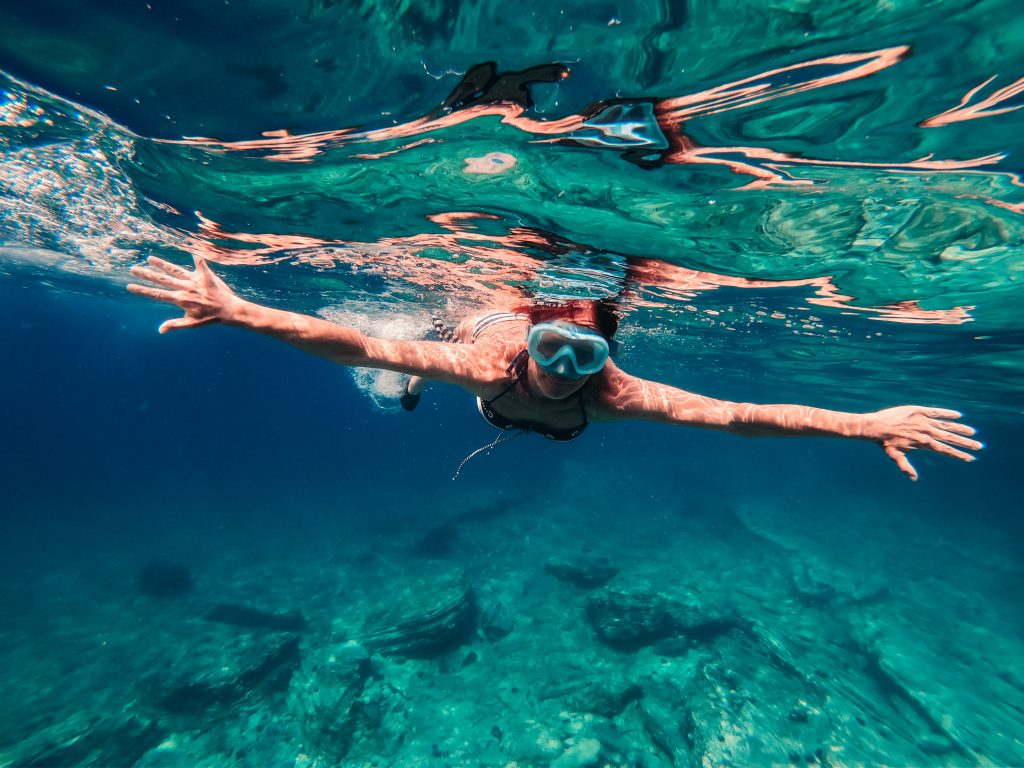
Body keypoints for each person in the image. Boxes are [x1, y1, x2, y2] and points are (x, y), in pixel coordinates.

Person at [127, 255, 982, 481]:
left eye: (587, 354)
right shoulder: (489, 363)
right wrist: (244, 312)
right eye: (555, 349)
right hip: (476, 368)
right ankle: (423, 384)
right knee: (414, 360)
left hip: (530, 417)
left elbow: (734, 415)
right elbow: (359, 346)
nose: (568, 368)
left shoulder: (614, 395)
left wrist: (862, 424)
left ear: (609, 355)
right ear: (530, 341)